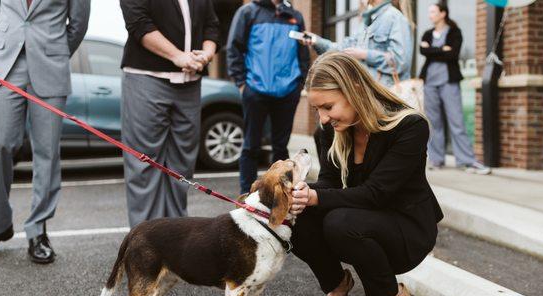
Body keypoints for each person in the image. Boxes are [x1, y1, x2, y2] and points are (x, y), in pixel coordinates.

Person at [289, 52, 443, 296]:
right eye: (317, 109)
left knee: (340, 221)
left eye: (328, 106)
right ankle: (337, 285)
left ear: (355, 90)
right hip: (361, 220)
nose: (323, 118)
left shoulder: (409, 126)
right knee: (297, 216)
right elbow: (329, 182)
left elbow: (377, 194)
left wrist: (315, 198)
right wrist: (297, 193)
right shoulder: (330, 130)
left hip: (406, 230)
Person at [0, 0, 90, 263]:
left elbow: (78, 23)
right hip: (5, 62)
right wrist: (8, 38)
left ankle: (37, 230)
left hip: (50, 65)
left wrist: (54, 52)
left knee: (46, 152)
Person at [119, 0, 220, 228]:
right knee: (144, 164)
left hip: (190, 84)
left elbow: (212, 26)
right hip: (147, 77)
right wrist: (177, 56)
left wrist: (206, 53)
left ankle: (175, 237)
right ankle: (144, 240)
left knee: (181, 166)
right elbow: (138, 23)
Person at [226, 0, 310, 195]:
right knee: (251, 147)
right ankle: (246, 197)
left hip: (288, 91)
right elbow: (234, 48)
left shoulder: (295, 16)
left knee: (280, 148)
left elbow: (302, 53)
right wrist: (241, 84)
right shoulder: (248, 12)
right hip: (255, 90)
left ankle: (280, 195)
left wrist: (299, 84)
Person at [420, 3, 491, 174]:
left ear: (442, 13)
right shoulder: (427, 33)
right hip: (429, 83)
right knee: (434, 123)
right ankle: (436, 159)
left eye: (433, 12)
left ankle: (467, 161)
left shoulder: (454, 32)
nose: (430, 15)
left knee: (457, 121)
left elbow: (453, 54)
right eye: (429, 12)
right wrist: (441, 49)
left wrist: (432, 49)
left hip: (449, 82)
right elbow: (423, 52)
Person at [304, 0, 415, 88]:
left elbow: (400, 62)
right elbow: (342, 48)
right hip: (366, 93)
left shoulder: (395, 17)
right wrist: (316, 41)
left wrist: (364, 54)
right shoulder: (366, 22)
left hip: (386, 96)